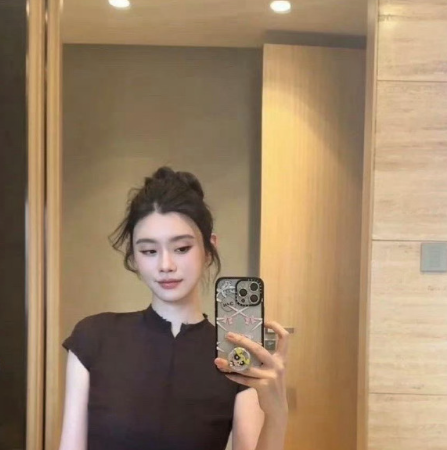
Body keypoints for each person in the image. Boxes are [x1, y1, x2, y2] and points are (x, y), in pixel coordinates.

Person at [58, 166, 289, 450]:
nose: (165, 265)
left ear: (209, 249)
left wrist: (277, 413)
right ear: (134, 255)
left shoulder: (233, 354)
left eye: (181, 248)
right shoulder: (94, 336)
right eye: (149, 251)